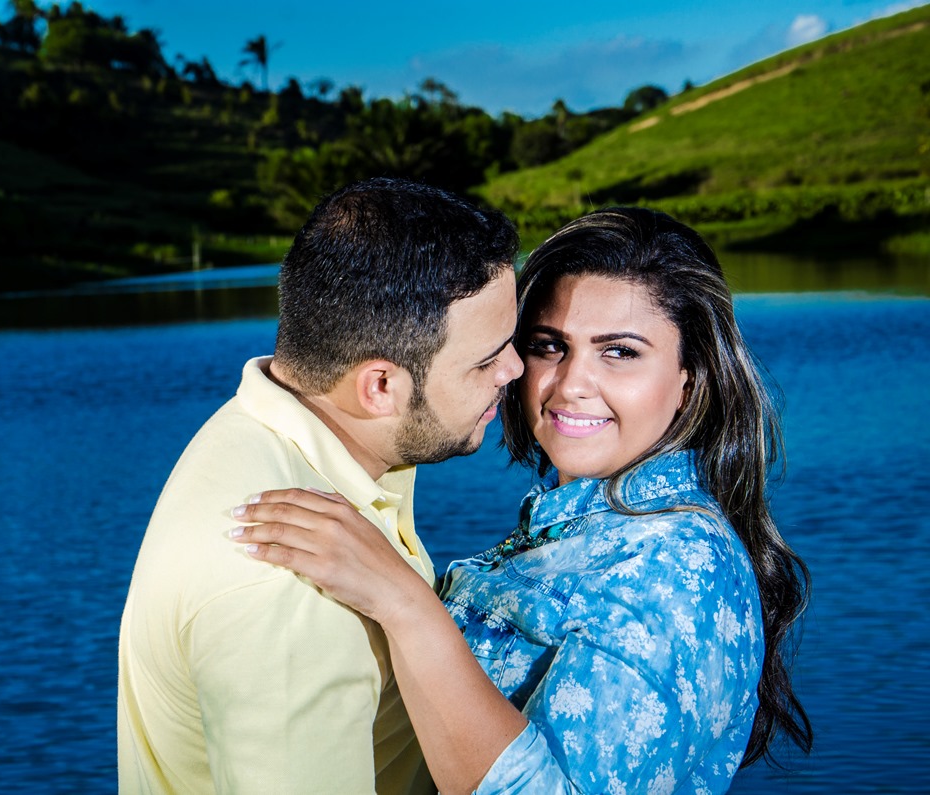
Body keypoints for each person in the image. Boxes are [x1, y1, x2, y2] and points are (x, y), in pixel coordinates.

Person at [231, 207, 813, 794]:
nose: (570, 384)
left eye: (620, 352)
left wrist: (404, 603)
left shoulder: (677, 566)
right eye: (548, 346)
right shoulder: (585, 526)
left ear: (691, 380)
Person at [117, 177, 526, 793]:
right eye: (486, 358)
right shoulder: (289, 589)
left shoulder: (290, 427)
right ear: (380, 388)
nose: (515, 369)